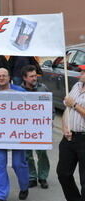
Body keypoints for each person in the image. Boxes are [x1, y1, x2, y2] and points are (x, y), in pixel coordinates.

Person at [0, 68, 29, 201]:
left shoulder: (20, 92)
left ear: (9, 77)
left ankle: (24, 186)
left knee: (18, 163)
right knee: (0, 164)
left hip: (17, 135)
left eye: (4, 76)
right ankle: (0, 196)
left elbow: (32, 110)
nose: (1, 78)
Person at [57, 64, 85, 201]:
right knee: (63, 173)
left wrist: (74, 104)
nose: (81, 72)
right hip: (69, 137)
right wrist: (65, 128)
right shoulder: (76, 86)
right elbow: (66, 110)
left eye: (84, 71)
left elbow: (72, 105)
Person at [20, 65, 50, 189]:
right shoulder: (19, 91)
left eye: (35, 75)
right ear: (24, 78)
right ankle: (32, 177)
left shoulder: (43, 88)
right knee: (27, 154)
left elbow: (50, 107)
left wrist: (50, 120)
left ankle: (43, 177)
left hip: (41, 127)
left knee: (42, 153)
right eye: (31, 76)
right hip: (25, 128)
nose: (34, 78)